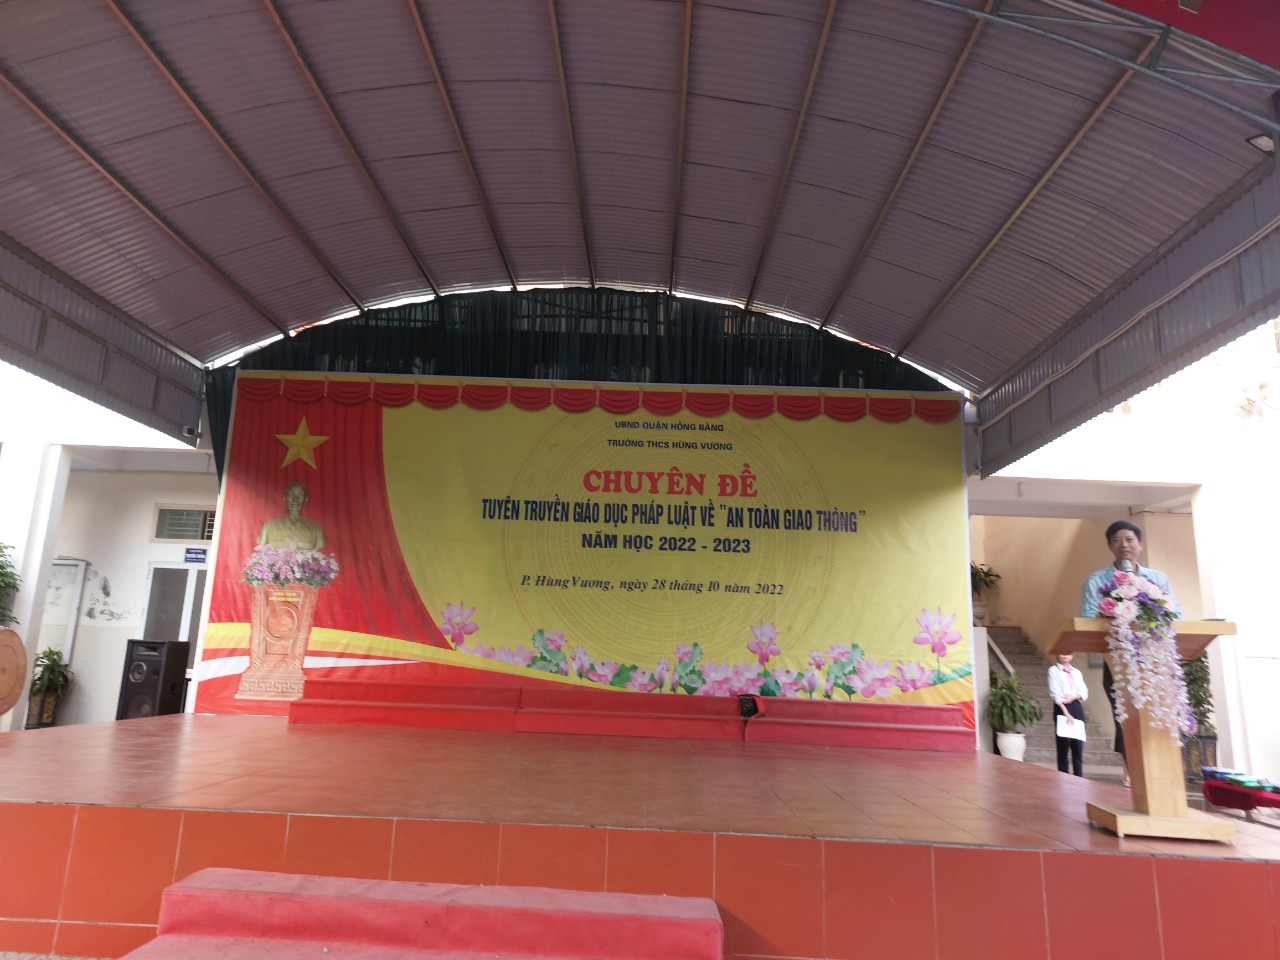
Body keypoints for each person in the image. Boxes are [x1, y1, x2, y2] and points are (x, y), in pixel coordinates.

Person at [1079, 519, 1181, 788]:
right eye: (1117, 540)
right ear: (1109, 546)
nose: (1124, 545)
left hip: (1154, 658)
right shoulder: (1097, 581)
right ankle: (1131, 770)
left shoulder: (1158, 580)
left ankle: (1162, 773)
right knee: (1124, 714)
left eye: (1129, 540)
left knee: (1157, 711)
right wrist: (1113, 612)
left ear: (1140, 544)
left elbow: (1175, 614)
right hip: (1118, 657)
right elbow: (1088, 618)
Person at [1048, 652, 1088, 777]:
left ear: (1072, 655)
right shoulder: (1053, 670)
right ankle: (1063, 778)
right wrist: (1066, 713)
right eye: (1062, 653)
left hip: (1076, 706)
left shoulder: (1076, 672)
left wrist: (1074, 697)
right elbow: (1055, 694)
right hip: (1062, 707)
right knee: (1063, 745)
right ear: (1057, 654)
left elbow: (1084, 692)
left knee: (1077, 745)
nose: (1065, 656)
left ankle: (1079, 778)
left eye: (1069, 653)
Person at [258, 481, 326, 551]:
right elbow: (260, 553)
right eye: (291, 495)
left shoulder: (316, 529)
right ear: (285, 499)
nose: (295, 500)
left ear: (305, 500)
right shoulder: (269, 527)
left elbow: (320, 554)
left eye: (300, 495)